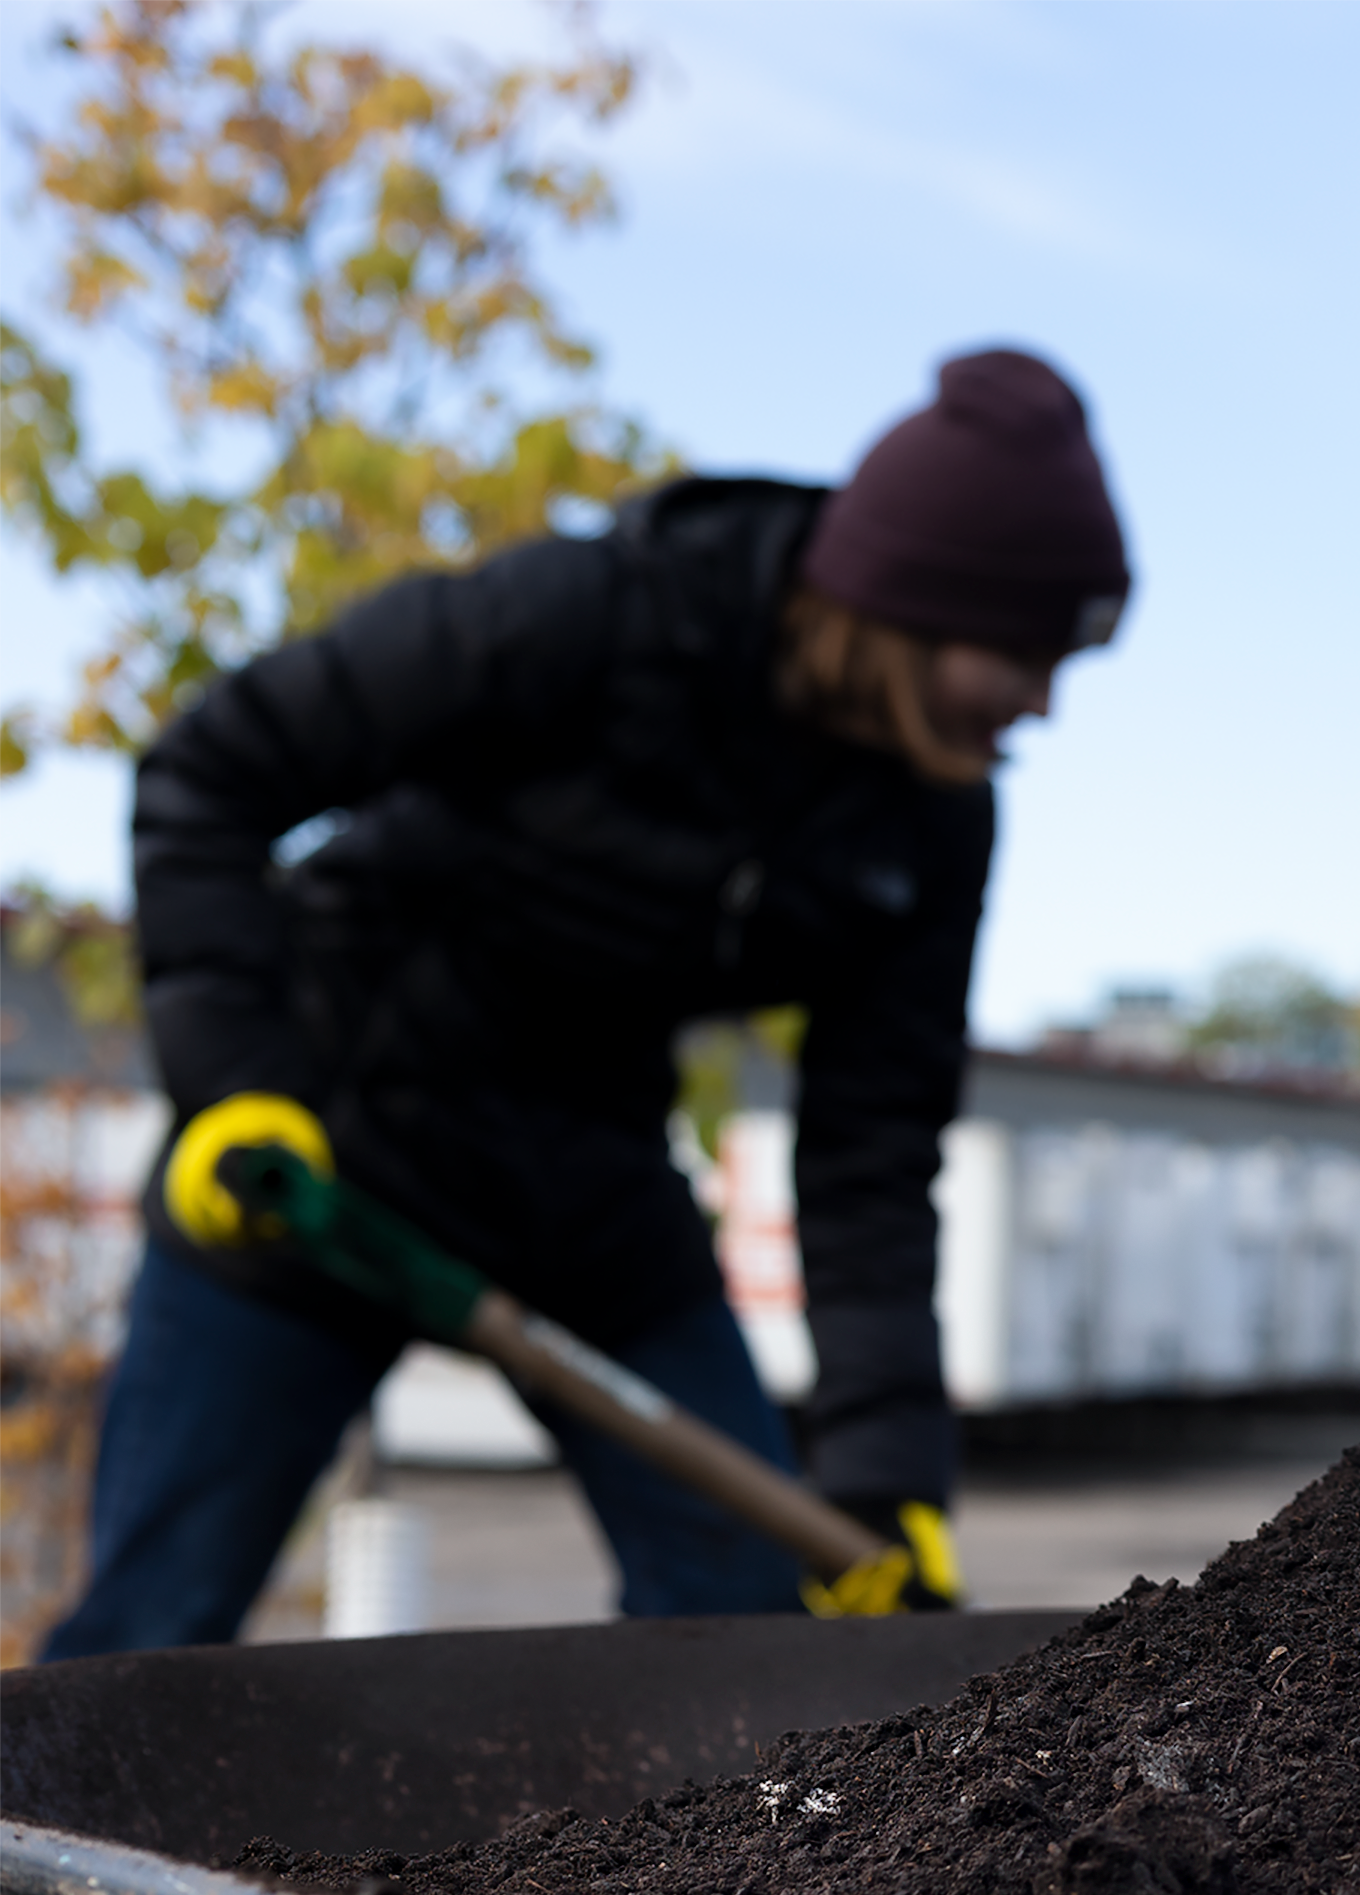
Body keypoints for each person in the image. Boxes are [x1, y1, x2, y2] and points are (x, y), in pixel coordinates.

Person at [46, 347, 1132, 1652]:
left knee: (744, 1620)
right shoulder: (600, 612)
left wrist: (886, 1473)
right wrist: (235, 1088)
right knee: (148, 1636)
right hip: (319, 1155)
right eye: (1022, 652)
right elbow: (211, 769)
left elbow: (873, 1147)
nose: (1042, 701)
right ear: (909, 603)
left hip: (581, 1185)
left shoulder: (933, 816)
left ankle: (709, 1862)